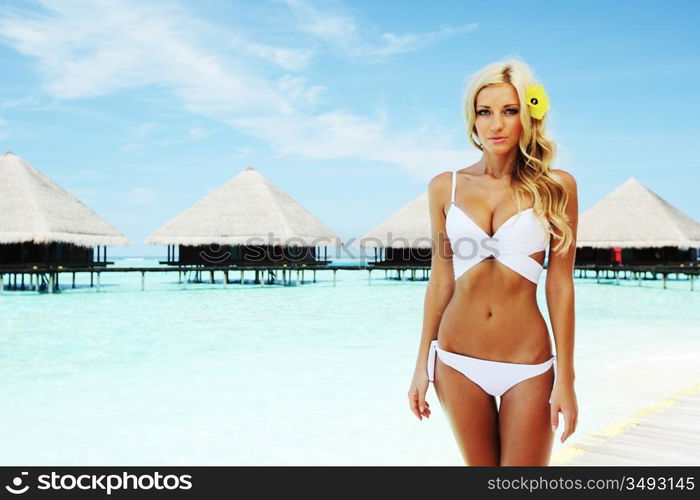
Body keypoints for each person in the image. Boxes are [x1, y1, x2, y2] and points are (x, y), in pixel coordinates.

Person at [407, 58, 579, 466]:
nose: (495, 124)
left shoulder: (557, 188)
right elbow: (441, 280)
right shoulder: (445, 187)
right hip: (455, 360)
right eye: (485, 112)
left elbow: (560, 286)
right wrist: (420, 365)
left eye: (510, 111)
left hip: (529, 365)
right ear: (473, 118)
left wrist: (567, 379)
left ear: (528, 118)